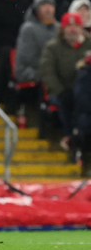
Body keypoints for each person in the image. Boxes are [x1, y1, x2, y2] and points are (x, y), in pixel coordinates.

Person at [40, 12, 91, 149]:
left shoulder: (89, 44)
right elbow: (48, 72)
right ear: (62, 29)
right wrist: (60, 91)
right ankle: (71, 137)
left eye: (76, 25)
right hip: (63, 90)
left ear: (81, 28)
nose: (73, 29)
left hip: (86, 92)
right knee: (67, 102)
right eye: (69, 26)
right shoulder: (52, 47)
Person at [15, 0, 59, 85]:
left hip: (53, 70)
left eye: (50, 5)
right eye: (44, 5)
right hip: (31, 71)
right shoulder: (28, 29)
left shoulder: (59, 28)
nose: (48, 8)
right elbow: (29, 59)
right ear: (36, 10)